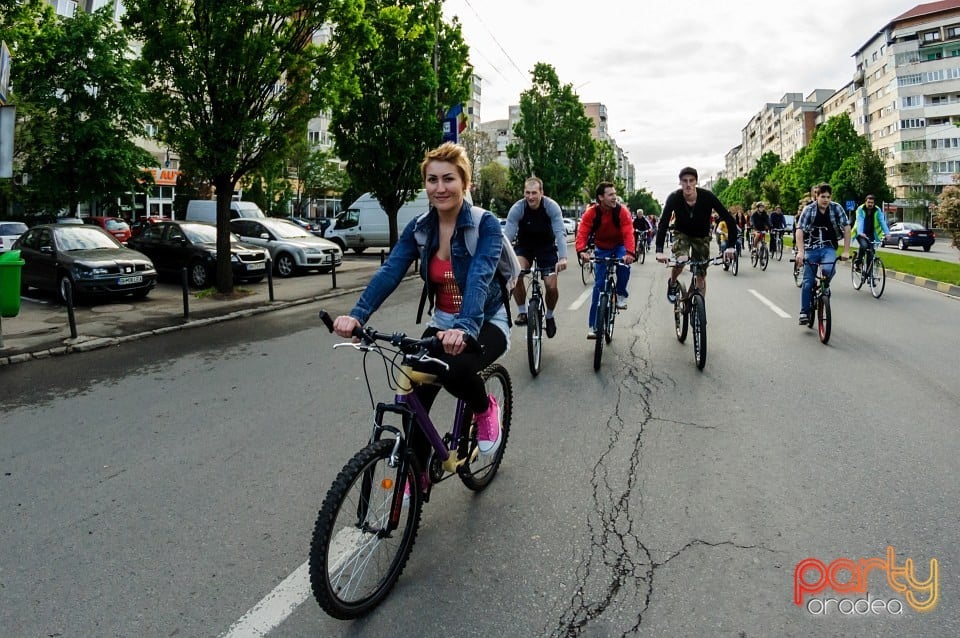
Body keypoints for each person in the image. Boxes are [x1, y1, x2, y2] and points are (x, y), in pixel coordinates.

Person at [332, 142, 508, 466]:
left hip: (485, 321)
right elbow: (390, 271)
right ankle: (415, 473)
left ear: (465, 183)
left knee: (455, 371)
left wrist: (465, 328)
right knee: (413, 395)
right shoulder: (419, 228)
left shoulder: (485, 225)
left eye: (449, 179)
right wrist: (357, 316)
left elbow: (480, 277)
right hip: (442, 322)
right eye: (432, 180)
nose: (440, 188)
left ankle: (485, 409)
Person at [655, 167, 738, 301]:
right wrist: (659, 250)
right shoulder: (674, 197)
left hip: (702, 236)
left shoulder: (707, 196)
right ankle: (672, 282)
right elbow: (663, 222)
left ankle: (699, 308)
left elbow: (729, 219)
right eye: (684, 181)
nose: (688, 184)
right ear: (680, 182)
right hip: (682, 233)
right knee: (681, 260)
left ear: (696, 182)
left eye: (691, 181)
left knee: (701, 273)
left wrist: (731, 246)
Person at [504, 176, 568, 338]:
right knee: (516, 271)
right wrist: (500, 256)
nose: (530, 197)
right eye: (527, 193)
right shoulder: (518, 208)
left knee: (551, 286)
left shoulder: (551, 207)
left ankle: (550, 316)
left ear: (541, 193)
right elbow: (508, 236)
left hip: (546, 248)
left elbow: (560, 233)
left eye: (534, 193)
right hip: (525, 247)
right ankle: (522, 312)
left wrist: (563, 258)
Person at [575, 182, 635, 339]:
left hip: (620, 245)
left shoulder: (622, 211)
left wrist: (629, 253)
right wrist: (582, 250)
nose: (614, 197)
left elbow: (628, 232)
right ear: (600, 197)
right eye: (610, 194)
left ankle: (621, 293)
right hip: (601, 248)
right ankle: (593, 325)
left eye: (615, 194)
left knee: (624, 267)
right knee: (599, 286)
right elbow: (583, 232)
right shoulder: (591, 213)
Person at [794, 182, 851, 325]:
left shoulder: (836, 208)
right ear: (816, 196)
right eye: (823, 196)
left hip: (828, 247)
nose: (826, 200)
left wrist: (846, 250)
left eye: (828, 197)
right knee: (807, 282)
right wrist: (801, 252)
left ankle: (824, 287)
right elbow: (799, 230)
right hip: (811, 248)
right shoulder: (809, 209)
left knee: (828, 269)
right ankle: (804, 312)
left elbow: (846, 227)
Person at [852, 194, 890, 269]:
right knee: (864, 246)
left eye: (872, 203)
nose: (870, 204)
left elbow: (882, 222)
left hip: (871, 234)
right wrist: (860, 232)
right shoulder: (860, 209)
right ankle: (858, 262)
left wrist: (887, 233)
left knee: (871, 253)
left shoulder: (877, 210)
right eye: (868, 202)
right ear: (865, 202)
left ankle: (869, 275)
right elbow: (860, 221)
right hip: (860, 233)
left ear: (874, 203)